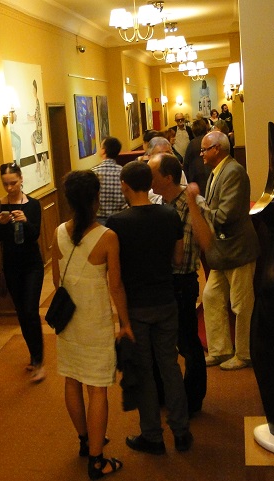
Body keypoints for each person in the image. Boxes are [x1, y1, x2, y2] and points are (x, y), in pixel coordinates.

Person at [106, 161, 193, 455]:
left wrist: (123, 321)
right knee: (170, 366)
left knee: (144, 371)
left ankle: (153, 436)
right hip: (166, 300)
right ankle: (181, 432)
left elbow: (115, 278)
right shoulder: (169, 214)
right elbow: (178, 259)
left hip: (137, 307)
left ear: (125, 185)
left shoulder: (117, 223)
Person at [52, 170, 133, 480]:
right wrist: (125, 323)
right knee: (97, 389)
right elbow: (116, 286)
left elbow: (57, 281)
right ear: (96, 198)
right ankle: (97, 462)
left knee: (72, 380)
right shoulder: (107, 237)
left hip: (68, 322)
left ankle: (86, 441)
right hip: (95, 321)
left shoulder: (59, 232)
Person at [185, 131, 259, 371]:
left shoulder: (233, 171)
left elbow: (225, 215)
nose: (201, 154)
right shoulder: (219, 171)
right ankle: (220, 350)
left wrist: (199, 207)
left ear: (217, 149)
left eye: (205, 149)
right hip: (222, 252)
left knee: (241, 305)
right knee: (211, 297)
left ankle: (245, 354)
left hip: (237, 249)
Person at [147, 153, 207, 416]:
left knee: (188, 344)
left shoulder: (194, 201)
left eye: (152, 174)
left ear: (168, 178)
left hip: (182, 283)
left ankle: (193, 400)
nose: (148, 178)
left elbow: (206, 242)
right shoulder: (156, 201)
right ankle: (164, 395)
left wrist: (193, 204)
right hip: (161, 283)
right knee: (158, 343)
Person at [0, 163, 46, 382]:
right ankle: (33, 355)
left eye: (13, 183)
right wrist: (1, 223)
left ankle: (39, 360)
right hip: (11, 266)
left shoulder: (33, 204)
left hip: (32, 265)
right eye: (5, 184)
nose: (10, 188)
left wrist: (25, 221)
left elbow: (34, 234)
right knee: (21, 312)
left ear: (21, 179)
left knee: (31, 310)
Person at [91, 136, 125, 225]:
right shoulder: (123, 172)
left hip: (98, 221)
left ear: (103, 151)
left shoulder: (93, 172)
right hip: (119, 220)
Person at [183, 119, 212, 188]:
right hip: (210, 174)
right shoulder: (210, 141)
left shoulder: (192, 144)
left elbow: (186, 164)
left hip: (196, 178)